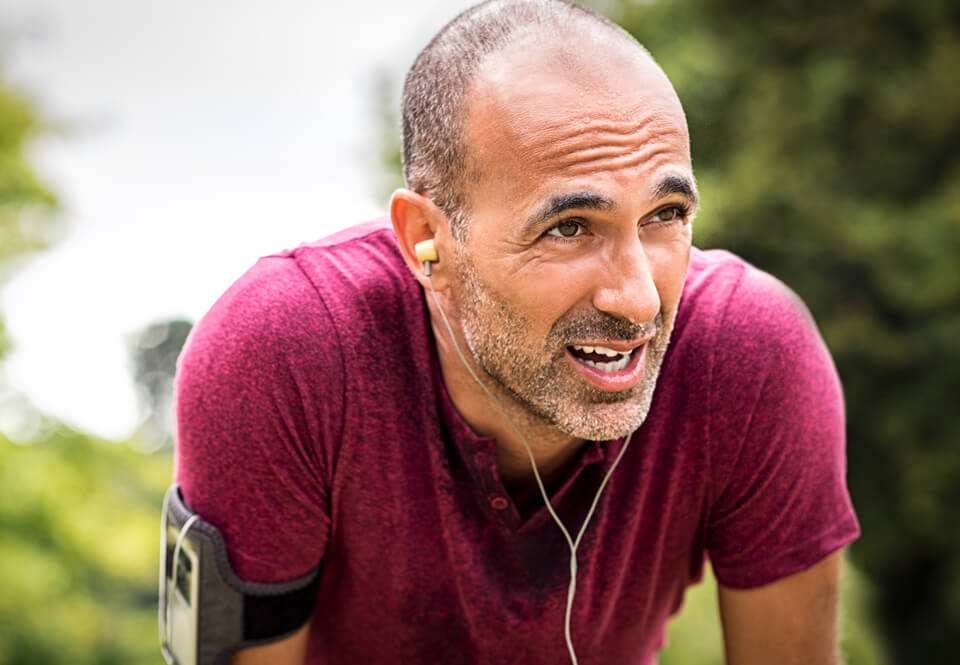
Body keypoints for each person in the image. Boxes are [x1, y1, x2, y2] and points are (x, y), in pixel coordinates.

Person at [172, 1, 860, 663]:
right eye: (568, 228)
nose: (637, 299)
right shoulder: (284, 352)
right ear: (426, 241)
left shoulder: (751, 354)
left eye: (666, 213)